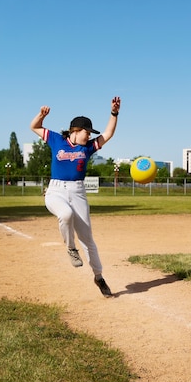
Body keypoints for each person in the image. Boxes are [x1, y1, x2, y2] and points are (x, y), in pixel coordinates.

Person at [30, 96, 121, 296]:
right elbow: (34, 126)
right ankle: (71, 248)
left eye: (89, 134)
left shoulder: (87, 148)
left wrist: (114, 112)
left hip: (78, 192)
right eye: (86, 132)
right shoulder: (56, 140)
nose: (88, 136)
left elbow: (109, 133)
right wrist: (41, 115)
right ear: (75, 131)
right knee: (65, 215)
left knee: (88, 240)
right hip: (55, 191)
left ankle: (99, 277)